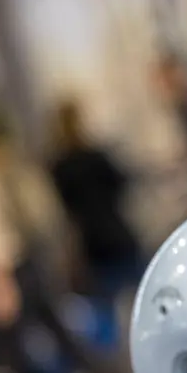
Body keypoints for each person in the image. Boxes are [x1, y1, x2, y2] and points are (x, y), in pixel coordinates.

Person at [47, 99, 144, 352]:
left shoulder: (60, 167)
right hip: (118, 233)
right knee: (142, 295)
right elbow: (122, 185)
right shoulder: (96, 157)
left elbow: (65, 211)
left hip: (92, 243)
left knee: (106, 308)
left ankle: (116, 357)